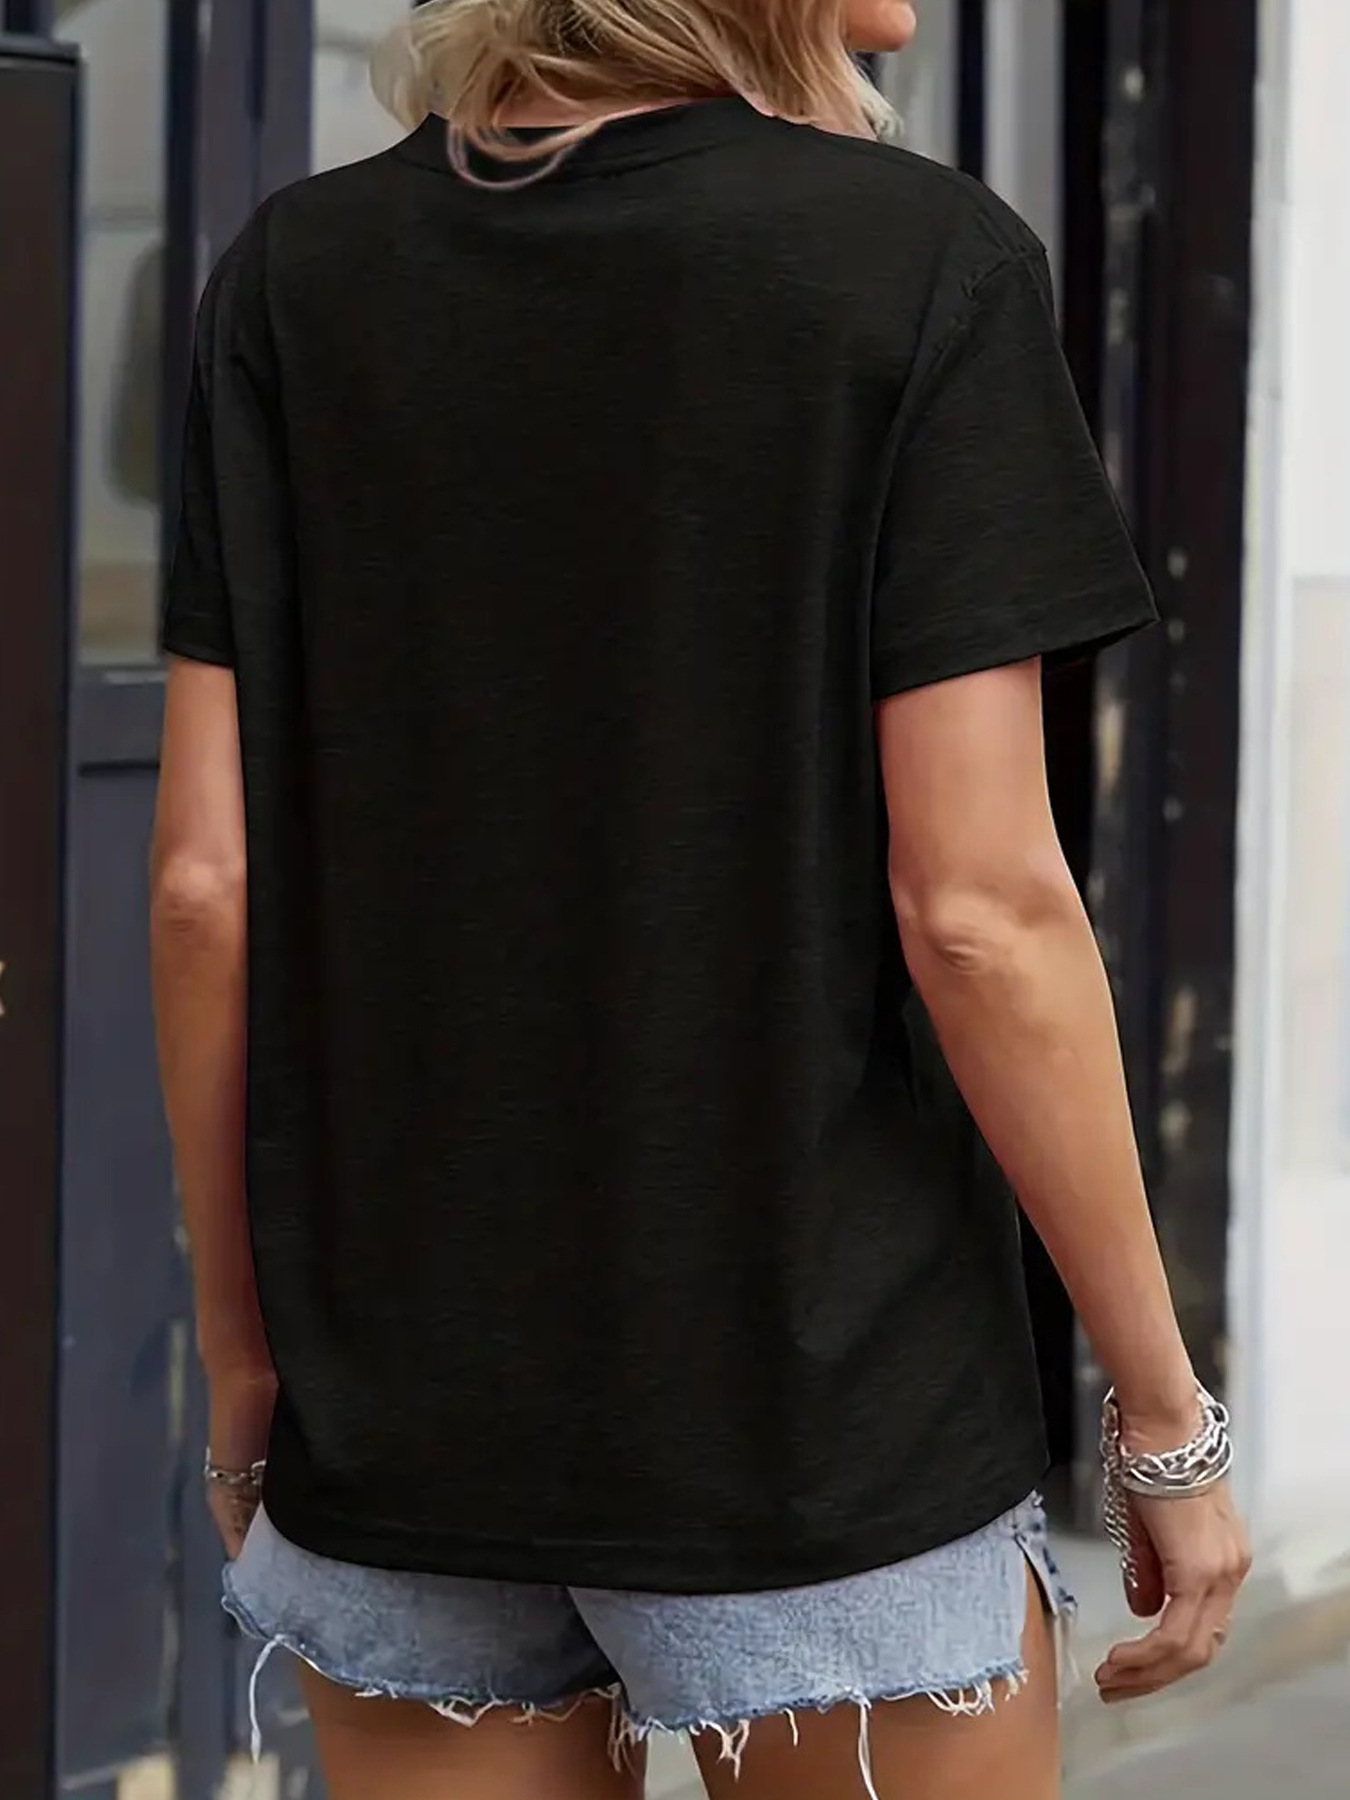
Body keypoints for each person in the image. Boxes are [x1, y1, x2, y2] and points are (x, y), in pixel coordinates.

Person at [150, 3, 1251, 1797]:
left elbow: (209, 888)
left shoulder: (298, 273)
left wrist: (245, 1357)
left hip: (411, 1400)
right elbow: (976, 909)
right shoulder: (914, 262)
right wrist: (1161, 1416)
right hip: (823, 1417)